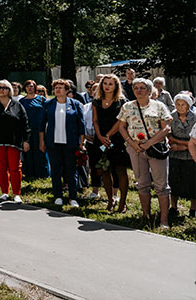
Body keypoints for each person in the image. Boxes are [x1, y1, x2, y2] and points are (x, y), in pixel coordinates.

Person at [117, 78, 173, 228]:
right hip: (135, 149)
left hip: (156, 148)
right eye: (136, 88)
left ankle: (163, 220)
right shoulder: (127, 106)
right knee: (142, 183)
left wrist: (149, 143)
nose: (139, 90)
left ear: (149, 91)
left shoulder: (159, 106)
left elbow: (166, 128)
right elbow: (121, 126)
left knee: (161, 185)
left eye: (142, 88)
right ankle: (146, 216)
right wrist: (131, 142)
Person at [0, 80, 31, 203]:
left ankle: (16, 193)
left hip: (14, 141)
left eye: (4, 88)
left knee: (15, 168)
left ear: (9, 90)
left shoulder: (17, 105)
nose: (1, 90)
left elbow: (25, 124)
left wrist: (26, 140)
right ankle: (4, 192)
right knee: (1, 167)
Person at [40, 79, 85, 207]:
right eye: (56, 88)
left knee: (71, 170)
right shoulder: (49, 104)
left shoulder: (75, 104)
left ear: (67, 90)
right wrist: (42, 142)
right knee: (55, 170)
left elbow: (81, 125)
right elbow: (42, 126)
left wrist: (82, 143)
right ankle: (58, 196)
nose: (58, 90)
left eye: (61, 87)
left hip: (70, 143)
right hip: (53, 143)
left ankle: (73, 197)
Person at [92, 74, 129, 212]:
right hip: (101, 139)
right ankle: (110, 200)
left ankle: (123, 202)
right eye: (105, 83)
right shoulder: (96, 101)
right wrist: (100, 136)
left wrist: (108, 135)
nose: (107, 86)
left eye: (110, 84)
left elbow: (121, 120)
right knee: (104, 169)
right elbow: (95, 120)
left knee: (120, 169)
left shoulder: (122, 101)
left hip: (117, 139)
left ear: (116, 86)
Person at [168, 93, 196, 218]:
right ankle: (173, 207)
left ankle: (193, 209)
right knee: (173, 180)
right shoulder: (171, 117)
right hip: (174, 154)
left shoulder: (195, 117)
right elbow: (168, 136)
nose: (180, 107)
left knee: (192, 182)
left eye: (183, 104)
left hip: (192, 155)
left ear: (188, 106)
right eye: (178, 104)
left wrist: (182, 145)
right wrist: (184, 144)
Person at [20, 80, 49, 179]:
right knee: (28, 151)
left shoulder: (41, 99)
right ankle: (29, 173)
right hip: (27, 130)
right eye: (27, 86)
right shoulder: (22, 101)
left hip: (40, 130)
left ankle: (43, 174)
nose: (30, 88)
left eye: (32, 86)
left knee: (41, 151)